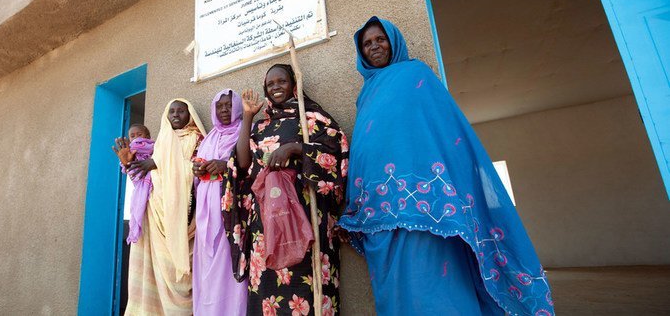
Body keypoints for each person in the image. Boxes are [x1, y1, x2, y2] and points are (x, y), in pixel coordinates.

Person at [337, 17, 555, 316]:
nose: (374, 46)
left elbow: (446, 133)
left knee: (432, 280)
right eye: (367, 43)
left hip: (427, 205)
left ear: (394, 42)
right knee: (392, 286)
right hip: (378, 209)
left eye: (380, 39)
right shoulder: (366, 95)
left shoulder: (417, 75)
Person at [222, 64, 349, 316]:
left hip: (306, 217)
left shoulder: (312, 118)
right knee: (268, 288)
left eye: (281, 81)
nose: (276, 87)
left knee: (309, 287)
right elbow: (243, 164)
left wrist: (296, 148)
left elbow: (337, 151)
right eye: (270, 84)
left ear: (293, 85)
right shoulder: (260, 126)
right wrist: (248, 116)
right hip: (266, 222)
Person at [122, 99, 206, 316]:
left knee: (183, 277)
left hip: (186, 216)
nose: (176, 115)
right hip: (155, 214)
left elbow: (199, 168)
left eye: (181, 111)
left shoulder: (198, 139)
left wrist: (157, 164)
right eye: (172, 111)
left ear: (190, 115)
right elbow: (143, 179)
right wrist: (129, 164)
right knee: (155, 274)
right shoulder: (159, 143)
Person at [191, 89, 248, 316]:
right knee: (207, 262)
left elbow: (250, 166)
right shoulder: (210, 137)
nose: (224, 110)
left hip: (230, 211)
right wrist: (197, 169)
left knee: (227, 261)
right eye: (219, 106)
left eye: (228, 105)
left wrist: (227, 166)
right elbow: (198, 169)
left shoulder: (246, 131)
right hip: (206, 210)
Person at [112, 123, 154, 244]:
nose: (136, 138)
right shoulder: (129, 152)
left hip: (154, 187)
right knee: (138, 208)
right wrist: (126, 164)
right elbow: (129, 171)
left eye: (139, 135)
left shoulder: (155, 147)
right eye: (132, 136)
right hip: (141, 185)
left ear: (147, 136)